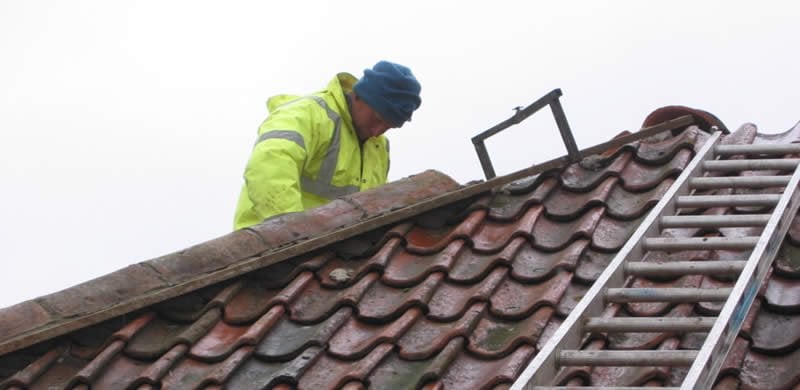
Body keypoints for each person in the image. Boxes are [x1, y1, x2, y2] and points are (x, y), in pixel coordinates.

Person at [233, 61, 422, 230]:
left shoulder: (377, 147)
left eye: (389, 127)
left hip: (327, 257)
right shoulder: (307, 115)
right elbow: (269, 166)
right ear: (358, 96)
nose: (377, 132)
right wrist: (292, 235)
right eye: (377, 119)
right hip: (267, 247)